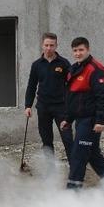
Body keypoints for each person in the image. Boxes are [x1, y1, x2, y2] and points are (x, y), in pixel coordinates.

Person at [59, 37, 104, 189]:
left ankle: (73, 192)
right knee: (93, 155)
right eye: (75, 50)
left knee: (78, 154)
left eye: (81, 50)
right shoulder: (73, 70)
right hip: (80, 120)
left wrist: (100, 121)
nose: (78, 53)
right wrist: (68, 118)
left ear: (88, 50)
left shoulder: (95, 70)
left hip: (90, 121)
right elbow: (72, 99)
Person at [24, 32, 73, 160]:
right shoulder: (36, 65)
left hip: (61, 107)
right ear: (42, 45)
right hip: (43, 107)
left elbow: (72, 84)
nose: (48, 48)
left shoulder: (64, 63)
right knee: (46, 141)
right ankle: (50, 171)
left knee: (67, 139)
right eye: (46, 45)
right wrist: (28, 105)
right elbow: (31, 86)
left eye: (52, 45)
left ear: (56, 46)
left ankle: (75, 170)